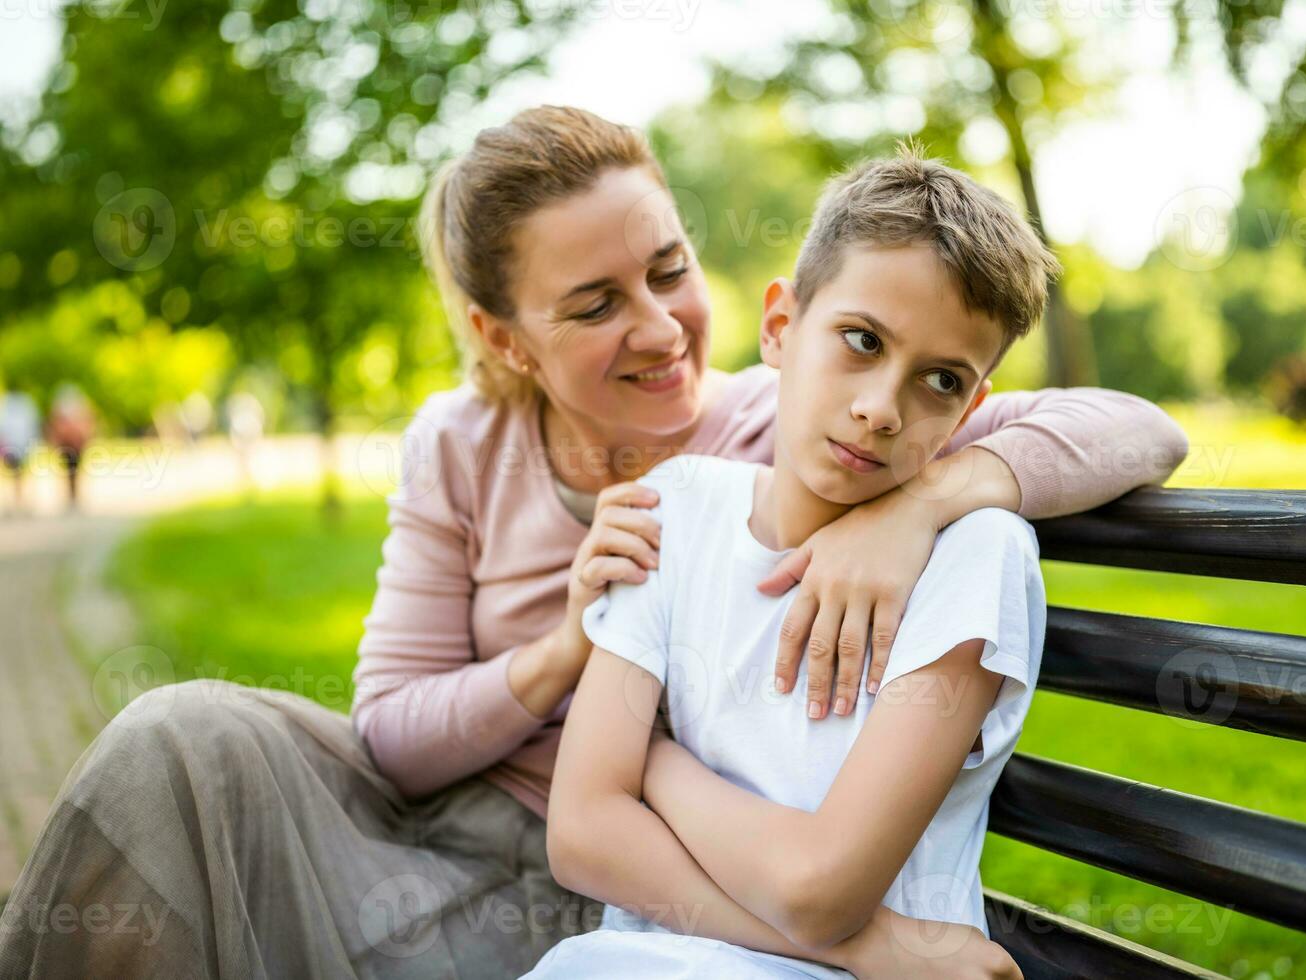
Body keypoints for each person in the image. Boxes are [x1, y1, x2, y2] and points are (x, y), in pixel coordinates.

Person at [0, 106, 1186, 978]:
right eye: (594, 303)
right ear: (502, 336)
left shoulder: (788, 422)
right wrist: (564, 648)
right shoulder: (461, 443)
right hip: (458, 830)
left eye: (669, 269)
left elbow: (1132, 426)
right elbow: (391, 736)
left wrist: (924, 502)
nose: (662, 326)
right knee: (177, 735)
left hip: (651, 874)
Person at [526, 147, 1045, 978]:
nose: (881, 408)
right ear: (780, 328)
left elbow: (818, 890)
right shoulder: (677, 507)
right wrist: (880, 947)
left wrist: (651, 765)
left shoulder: (975, 554)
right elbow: (582, 834)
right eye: (861, 339)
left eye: (940, 381)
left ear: (971, 407)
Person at [46, 384, 94, 511]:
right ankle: (71, 496)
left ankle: (74, 496)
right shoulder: (67, 408)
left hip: (75, 443)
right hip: (68, 443)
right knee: (69, 469)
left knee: (74, 470)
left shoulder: (75, 408)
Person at [0, 389, 41, 515]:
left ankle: (20, 501)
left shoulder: (11, 404)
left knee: (18, 474)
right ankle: (18, 501)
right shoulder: (15, 404)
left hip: (19, 444)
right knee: (17, 474)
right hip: (16, 445)